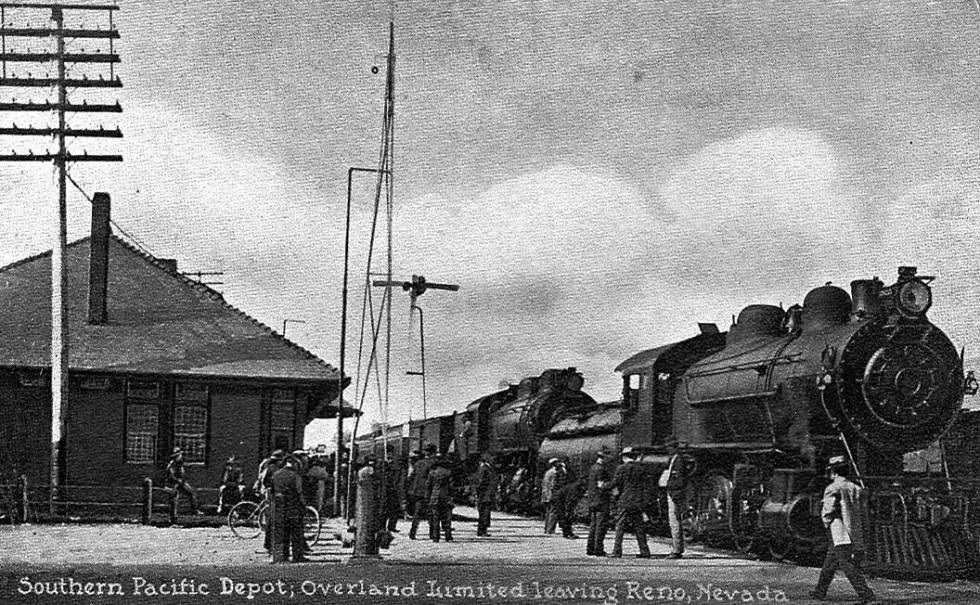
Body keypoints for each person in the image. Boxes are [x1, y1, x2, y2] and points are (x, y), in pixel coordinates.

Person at [810, 455, 877, 604]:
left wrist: (826, 523)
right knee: (830, 562)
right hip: (853, 528)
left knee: (846, 563)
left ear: (833, 472)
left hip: (838, 530)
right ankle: (820, 591)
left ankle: (867, 595)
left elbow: (828, 511)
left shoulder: (832, 488)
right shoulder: (856, 488)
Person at [611, 447, 651, 558]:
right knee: (639, 527)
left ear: (624, 457)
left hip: (624, 501)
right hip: (637, 502)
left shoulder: (621, 468)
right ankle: (645, 551)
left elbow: (614, 484)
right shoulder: (641, 469)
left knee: (620, 527)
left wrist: (604, 486)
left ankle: (617, 551)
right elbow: (647, 486)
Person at [271, 456, 308, 563]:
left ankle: (280, 556)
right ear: (294, 464)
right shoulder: (296, 476)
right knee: (296, 533)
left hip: (279, 507)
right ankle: (297, 556)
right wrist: (303, 505)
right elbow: (299, 491)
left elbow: (272, 491)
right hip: (293, 506)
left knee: (280, 532)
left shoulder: (276, 474)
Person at [659, 435, 690, 559]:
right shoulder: (674, 459)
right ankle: (677, 548)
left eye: (669, 447)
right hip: (672, 492)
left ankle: (677, 550)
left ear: (673, 447)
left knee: (675, 521)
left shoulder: (679, 460)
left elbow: (680, 480)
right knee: (674, 521)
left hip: (674, 494)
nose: (667, 450)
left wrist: (667, 484)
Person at [585, 449, 614, 556]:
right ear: (603, 458)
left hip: (593, 500)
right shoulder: (601, 470)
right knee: (600, 526)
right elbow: (601, 485)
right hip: (601, 501)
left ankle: (590, 548)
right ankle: (598, 549)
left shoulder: (593, 468)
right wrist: (612, 486)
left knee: (593, 525)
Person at [408, 444, 437, 539]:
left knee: (417, 513)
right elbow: (432, 478)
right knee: (431, 512)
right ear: (433, 452)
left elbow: (412, 477)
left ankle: (412, 532)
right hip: (427, 491)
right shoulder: (433, 464)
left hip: (416, 491)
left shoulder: (418, 463)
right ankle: (432, 534)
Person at [165, 448, 203, 514]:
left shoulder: (179, 463)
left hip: (181, 482)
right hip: (175, 483)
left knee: (192, 492)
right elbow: (172, 476)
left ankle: (195, 509)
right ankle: (194, 510)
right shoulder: (172, 465)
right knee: (190, 493)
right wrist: (178, 481)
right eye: (179, 455)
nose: (181, 456)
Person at [426, 454, 454, 542]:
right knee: (447, 517)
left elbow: (428, 486)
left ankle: (435, 536)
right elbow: (451, 486)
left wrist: (428, 497)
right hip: (445, 496)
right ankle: (448, 535)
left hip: (434, 497)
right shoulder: (448, 472)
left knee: (435, 517)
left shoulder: (432, 473)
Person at [472, 454, 499, 536]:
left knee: (485, 512)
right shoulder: (484, 468)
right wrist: (479, 493)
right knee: (484, 512)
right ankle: (481, 531)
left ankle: (483, 530)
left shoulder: (486, 468)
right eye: (491, 457)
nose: (493, 458)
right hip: (484, 494)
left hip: (486, 494)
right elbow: (481, 482)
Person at [540, 458, 565, 534]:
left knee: (548, 512)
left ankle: (546, 528)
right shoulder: (554, 473)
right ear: (554, 464)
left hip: (545, 495)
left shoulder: (547, 472)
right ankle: (550, 530)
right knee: (553, 512)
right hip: (551, 495)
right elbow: (553, 485)